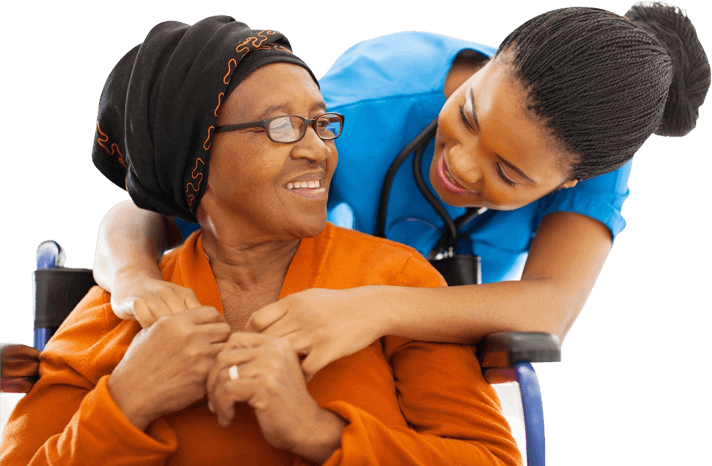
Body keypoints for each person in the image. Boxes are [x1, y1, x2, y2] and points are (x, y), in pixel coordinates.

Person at [0, 16, 522, 465]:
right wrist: (127, 401)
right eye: (281, 127)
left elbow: (489, 459)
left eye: (321, 123)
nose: (318, 150)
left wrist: (317, 432)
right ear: (195, 156)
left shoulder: (394, 280)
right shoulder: (126, 303)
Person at [93, 3, 710, 379]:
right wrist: (135, 281)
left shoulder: (590, 159)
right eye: (468, 116)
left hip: (402, 373)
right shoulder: (361, 107)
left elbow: (550, 309)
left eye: (509, 174)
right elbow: (142, 214)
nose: (463, 167)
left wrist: (372, 307)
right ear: (492, 60)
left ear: (570, 181)